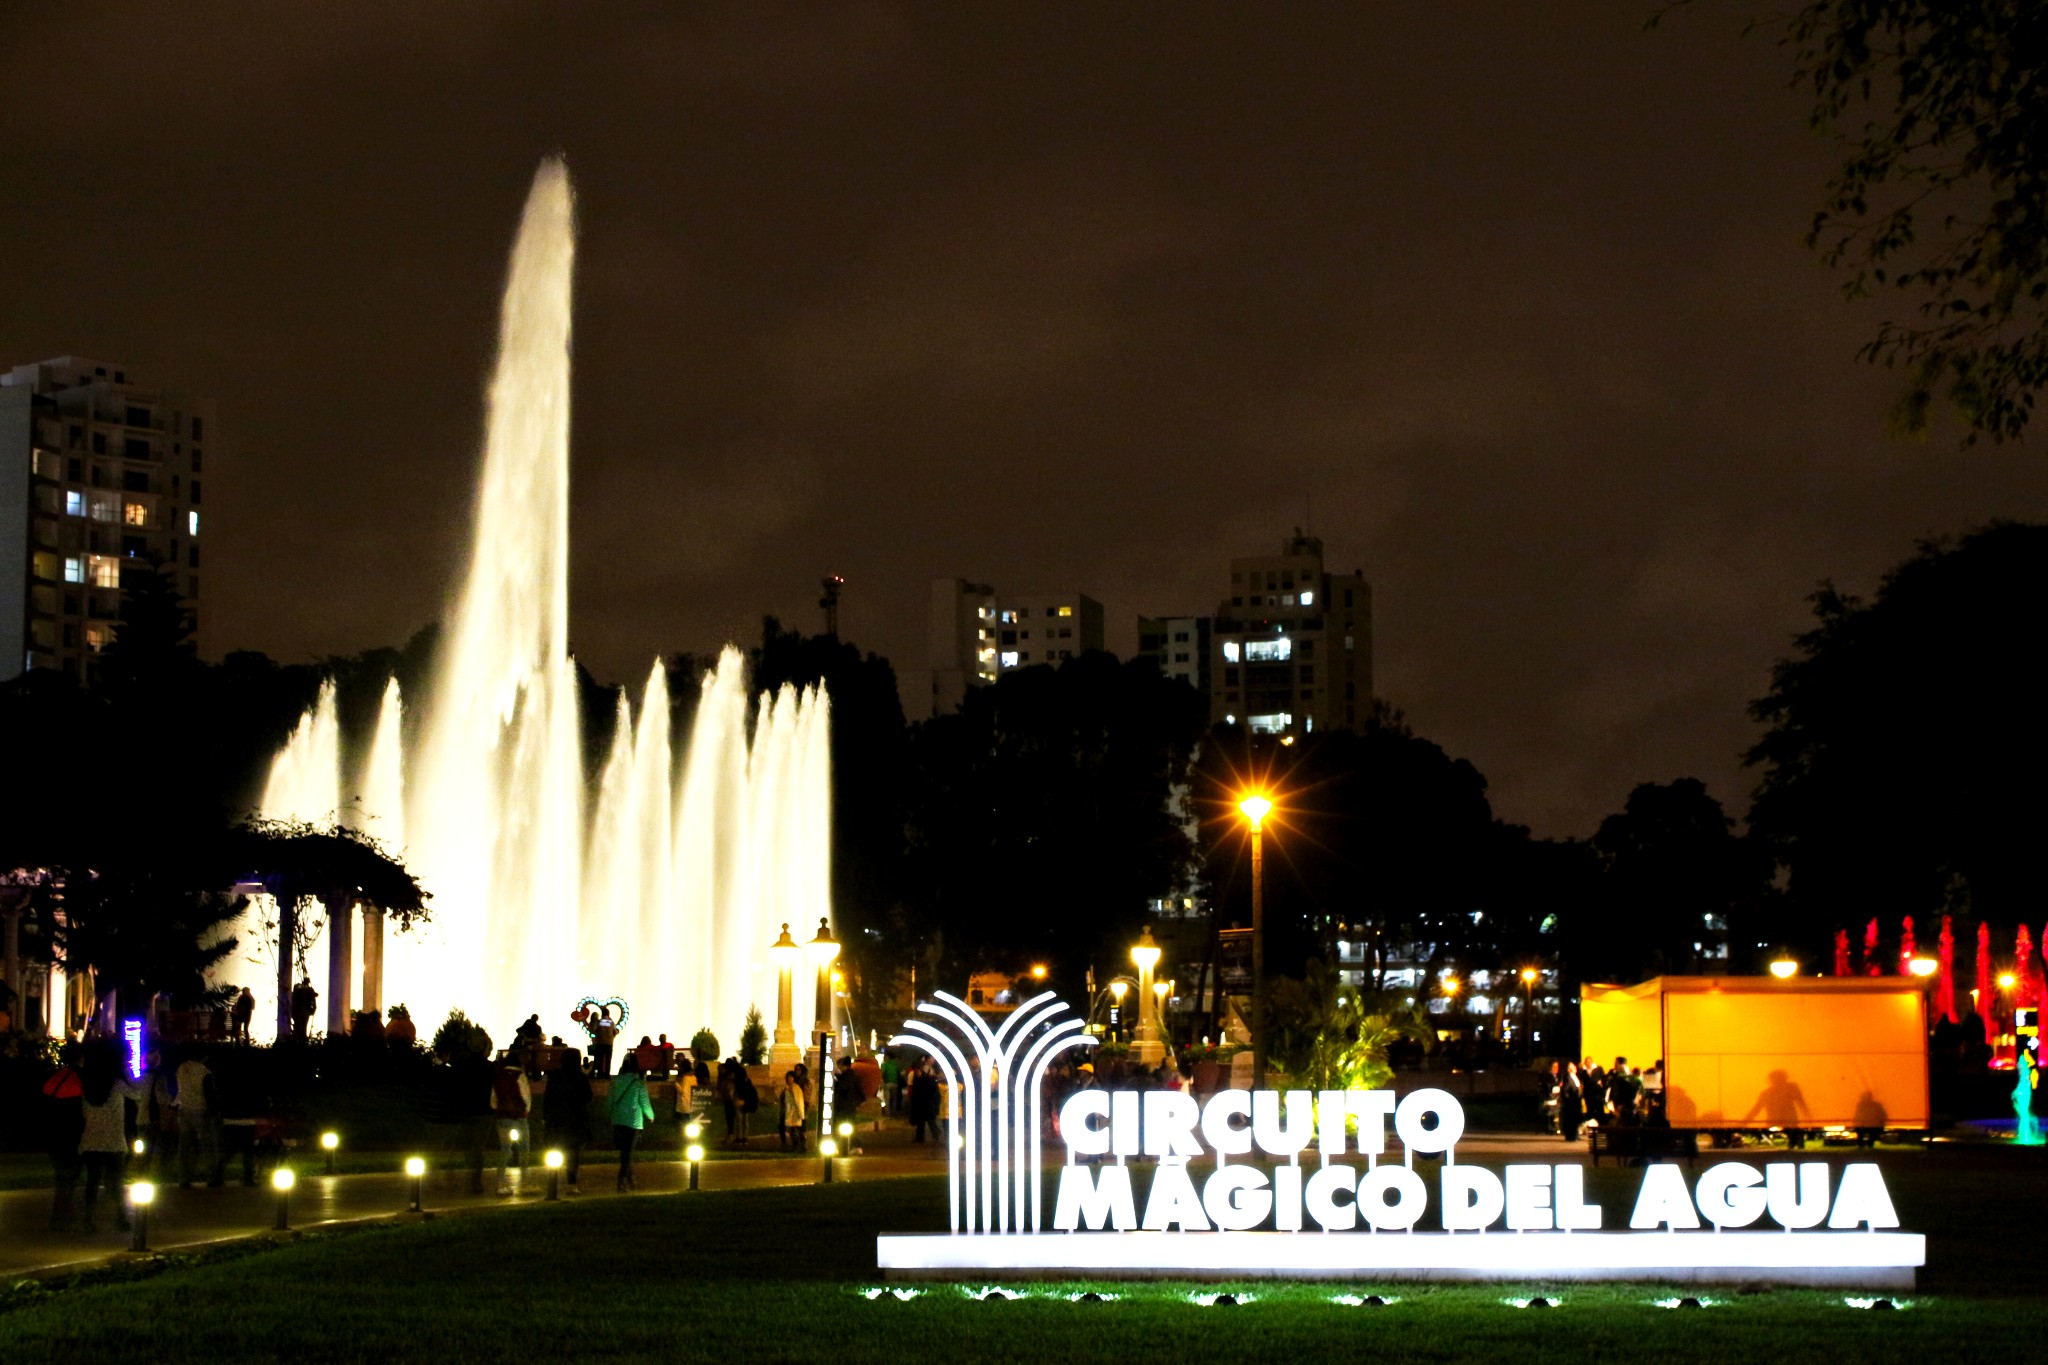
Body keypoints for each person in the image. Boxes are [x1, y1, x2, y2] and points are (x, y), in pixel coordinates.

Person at [79, 1043, 146, 1233]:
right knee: (115, 1181)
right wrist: (130, 1072)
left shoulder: (88, 1086)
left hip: (91, 1139)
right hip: (114, 1139)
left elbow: (84, 1113)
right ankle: (120, 1218)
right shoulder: (117, 1084)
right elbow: (138, 1093)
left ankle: (88, 1219)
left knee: (92, 1181)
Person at [38, 1046, 86, 1231]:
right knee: (70, 1177)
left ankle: (59, 1215)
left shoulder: (53, 1079)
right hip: (72, 1136)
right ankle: (65, 1216)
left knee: (61, 1176)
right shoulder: (79, 1080)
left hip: (54, 1136)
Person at [542, 1047, 592, 1195]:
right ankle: (571, 1183)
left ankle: (553, 1182)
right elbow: (588, 1097)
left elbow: (547, 1099)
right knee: (573, 1154)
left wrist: (546, 1117)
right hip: (575, 1122)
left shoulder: (555, 1077)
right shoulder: (580, 1078)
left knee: (555, 1150)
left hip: (556, 1121)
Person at [174, 1046, 222, 1187]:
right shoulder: (204, 1072)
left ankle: (184, 1178)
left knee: (184, 1146)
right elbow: (209, 1094)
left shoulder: (182, 1068)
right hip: (200, 1110)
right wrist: (215, 1112)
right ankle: (212, 1176)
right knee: (207, 1145)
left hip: (184, 1109)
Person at [607, 1052, 656, 1191]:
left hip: (617, 1119)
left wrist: (608, 1115)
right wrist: (651, 1116)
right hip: (633, 1121)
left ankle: (631, 1177)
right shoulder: (639, 1083)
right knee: (628, 1153)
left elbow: (609, 1101)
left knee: (624, 1152)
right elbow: (644, 1103)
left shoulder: (615, 1082)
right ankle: (622, 1180)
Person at [491, 1052, 531, 1194]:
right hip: (519, 1117)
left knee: (505, 1150)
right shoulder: (520, 1076)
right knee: (524, 1149)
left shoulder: (499, 1077)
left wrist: (499, 1109)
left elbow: (493, 1099)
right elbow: (526, 1097)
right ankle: (525, 1182)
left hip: (503, 1117)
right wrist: (525, 1111)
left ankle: (501, 1183)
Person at [832, 1058, 866, 1141]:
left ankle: (849, 1142)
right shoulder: (851, 1075)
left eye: (839, 1066)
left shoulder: (847, 1077)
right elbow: (859, 1088)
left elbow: (843, 1087)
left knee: (845, 1124)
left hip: (845, 1105)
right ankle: (848, 1141)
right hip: (847, 1105)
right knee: (847, 1124)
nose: (838, 1067)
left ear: (845, 1066)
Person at [909, 1060, 941, 1145]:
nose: (916, 1072)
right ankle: (920, 1137)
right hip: (922, 1104)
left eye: (917, 1070)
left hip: (927, 1103)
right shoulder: (920, 1079)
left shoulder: (926, 1079)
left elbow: (932, 1092)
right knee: (922, 1122)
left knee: (930, 1121)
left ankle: (935, 1134)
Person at [779, 1069, 807, 1152]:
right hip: (790, 1112)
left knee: (795, 1130)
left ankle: (798, 1146)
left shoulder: (795, 1088)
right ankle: (796, 1146)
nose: (787, 1079)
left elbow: (798, 1101)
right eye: (787, 1077)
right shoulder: (788, 1088)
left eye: (790, 1077)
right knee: (792, 1130)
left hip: (794, 1113)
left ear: (793, 1078)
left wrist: (801, 1114)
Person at [1558, 1061, 1586, 1142]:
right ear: (1569, 1069)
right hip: (1571, 1102)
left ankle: (1575, 1134)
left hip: (1576, 1101)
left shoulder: (1575, 1076)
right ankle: (1571, 1136)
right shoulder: (1568, 1077)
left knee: (1576, 1119)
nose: (1575, 1068)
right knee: (1571, 1119)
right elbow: (1565, 1090)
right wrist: (1568, 1100)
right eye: (1573, 1067)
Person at [591, 1008, 618, 1077]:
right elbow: (615, 1031)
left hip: (600, 1043)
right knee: (608, 1060)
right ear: (608, 1014)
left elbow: (594, 1030)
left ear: (602, 1014)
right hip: (609, 1043)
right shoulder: (611, 1022)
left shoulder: (599, 1022)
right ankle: (607, 1074)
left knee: (600, 1059)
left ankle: (600, 1074)